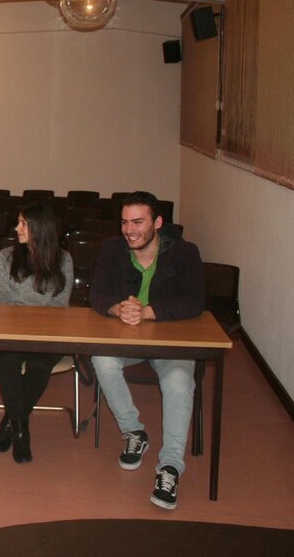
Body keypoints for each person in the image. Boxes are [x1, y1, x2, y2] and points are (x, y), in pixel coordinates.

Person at [89, 191, 205, 511]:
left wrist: (149, 312)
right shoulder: (111, 249)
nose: (130, 230)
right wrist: (118, 309)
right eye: (125, 222)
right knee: (102, 359)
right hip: (127, 339)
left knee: (179, 381)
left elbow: (195, 301)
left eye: (138, 222)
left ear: (158, 222)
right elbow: (96, 293)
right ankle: (134, 431)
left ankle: (170, 466)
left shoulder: (185, 253)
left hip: (170, 342)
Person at [0, 203, 73, 463]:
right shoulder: (6, 256)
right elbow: (3, 301)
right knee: (9, 360)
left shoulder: (63, 259)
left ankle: (9, 424)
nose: (17, 228)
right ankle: (21, 432)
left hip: (48, 333)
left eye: (23, 223)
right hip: (11, 330)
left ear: (40, 228)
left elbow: (60, 305)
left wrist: (38, 327)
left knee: (39, 364)